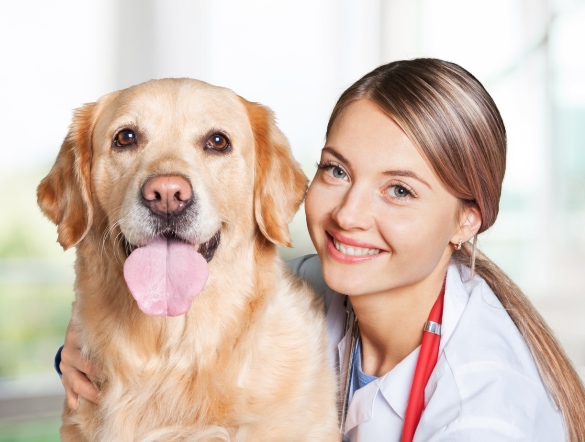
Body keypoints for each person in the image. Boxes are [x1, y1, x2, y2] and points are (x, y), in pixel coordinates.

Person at [56, 58, 585, 441]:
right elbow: (201, 288)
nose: (349, 215)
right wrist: (83, 346)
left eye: (399, 190)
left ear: (467, 219)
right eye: (336, 171)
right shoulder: (305, 289)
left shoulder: (485, 417)